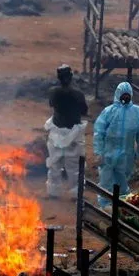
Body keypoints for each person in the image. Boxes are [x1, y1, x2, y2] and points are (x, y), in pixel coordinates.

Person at [93, 82, 139, 206]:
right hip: (108, 153)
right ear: (118, 94)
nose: (125, 97)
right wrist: (98, 152)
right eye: (123, 94)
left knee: (122, 182)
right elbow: (99, 132)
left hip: (126, 155)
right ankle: (104, 207)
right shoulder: (109, 111)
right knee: (105, 182)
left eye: (127, 95)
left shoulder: (137, 112)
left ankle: (122, 206)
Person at [46, 64, 89, 199]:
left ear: (58, 77)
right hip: (74, 133)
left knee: (54, 164)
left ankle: (53, 192)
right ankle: (76, 194)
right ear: (71, 77)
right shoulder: (78, 94)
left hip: (56, 131)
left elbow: (52, 104)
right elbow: (84, 111)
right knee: (74, 166)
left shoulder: (53, 92)